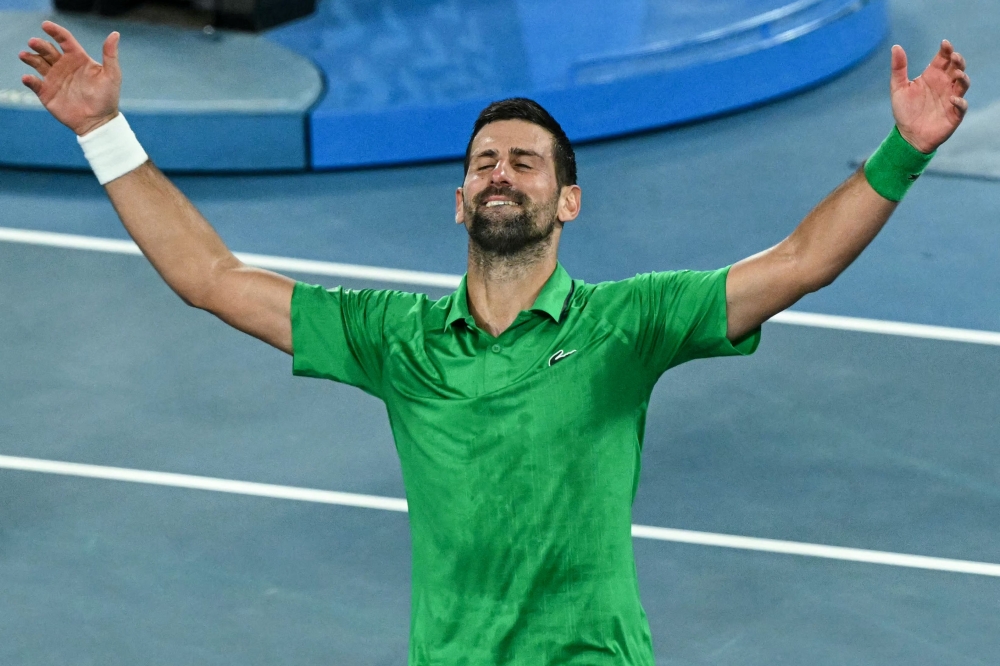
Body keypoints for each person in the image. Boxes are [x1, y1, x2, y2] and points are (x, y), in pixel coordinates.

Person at [18, 20, 970, 665]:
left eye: (524, 161)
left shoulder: (627, 324)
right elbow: (211, 279)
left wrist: (905, 149)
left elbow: (803, 261)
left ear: (569, 200)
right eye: (484, 163)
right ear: (460, 200)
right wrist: (104, 132)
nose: (500, 172)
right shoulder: (393, 339)